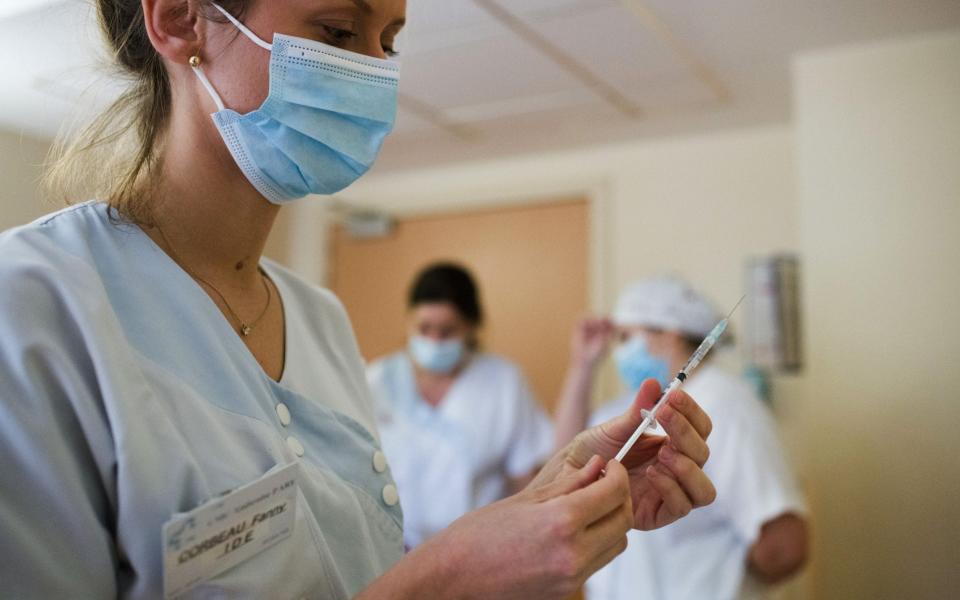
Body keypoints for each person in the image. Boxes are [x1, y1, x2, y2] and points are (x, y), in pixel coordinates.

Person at [0, 2, 717, 598]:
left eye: (388, 42)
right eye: (338, 32)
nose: (371, 74)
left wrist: (540, 507)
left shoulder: (320, 322)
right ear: (182, 19)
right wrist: (445, 581)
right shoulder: (34, 308)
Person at [554, 276, 809, 600]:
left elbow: (784, 545)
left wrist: (723, 581)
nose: (618, 352)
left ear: (668, 335)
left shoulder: (726, 403)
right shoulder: (634, 405)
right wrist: (583, 365)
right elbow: (563, 460)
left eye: (626, 337)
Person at [367, 263, 554, 549]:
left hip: (479, 552)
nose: (434, 340)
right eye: (424, 328)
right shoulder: (378, 379)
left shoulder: (503, 382)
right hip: (391, 549)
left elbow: (525, 480)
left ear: (471, 326)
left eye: (447, 331)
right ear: (409, 322)